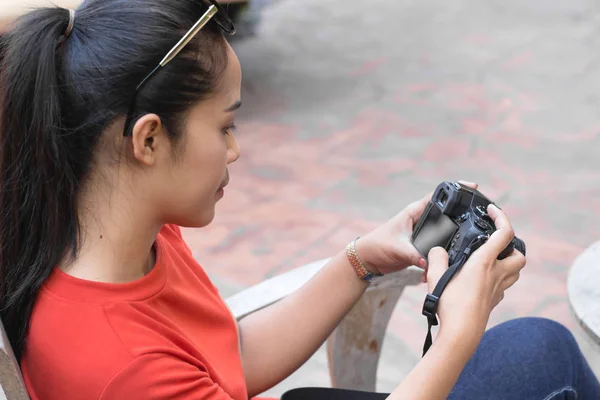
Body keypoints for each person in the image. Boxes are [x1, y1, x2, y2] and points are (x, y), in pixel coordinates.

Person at [0, 1, 598, 399]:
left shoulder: (121, 230)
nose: (235, 151)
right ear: (149, 138)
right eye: (226, 126)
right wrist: (458, 334)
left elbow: (228, 356)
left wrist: (360, 261)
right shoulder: (120, 368)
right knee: (541, 352)